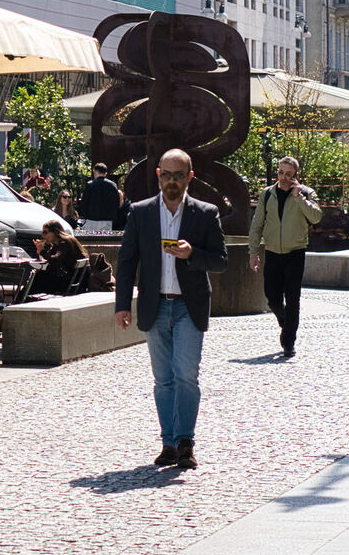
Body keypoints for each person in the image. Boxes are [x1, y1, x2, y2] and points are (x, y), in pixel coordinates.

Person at [113, 149, 228, 470]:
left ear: (190, 177)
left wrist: (193, 254)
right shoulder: (141, 212)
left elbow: (220, 261)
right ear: (158, 175)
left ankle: (185, 441)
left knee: (186, 375)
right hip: (155, 305)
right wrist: (122, 304)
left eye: (179, 175)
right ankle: (168, 443)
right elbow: (126, 263)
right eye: (167, 174)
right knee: (163, 379)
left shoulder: (205, 214)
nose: (172, 181)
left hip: (188, 307)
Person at [245, 155, 324, 358]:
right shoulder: (267, 194)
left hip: (295, 253)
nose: (284, 177)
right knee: (272, 297)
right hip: (272, 252)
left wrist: (299, 198)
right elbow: (257, 225)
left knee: (293, 298)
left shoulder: (306, 193)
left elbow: (316, 216)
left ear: (296, 175)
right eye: (281, 172)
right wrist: (253, 252)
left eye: (289, 174)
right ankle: (286, 321)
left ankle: (288, 341)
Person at [31, 221, 87, 295]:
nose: (43, 236)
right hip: (71, 278)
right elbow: (49, 258)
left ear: (54, 232)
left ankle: (23, 299)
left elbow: (55, 260)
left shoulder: (64, 242)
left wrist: (42, 251)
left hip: (72, 281)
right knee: (40, 275)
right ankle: (25, 298)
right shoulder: (57, 245)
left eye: (45, 233)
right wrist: (40, 250)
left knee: (39, 277)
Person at [79, 163, 124, 235]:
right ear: (105, 173)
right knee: (104, 241)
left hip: (92, 220)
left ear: (95, 172)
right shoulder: (113, 185)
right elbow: (116, 203)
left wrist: (86, 215)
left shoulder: (90, 185)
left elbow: (84, 203)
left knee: (90, 241)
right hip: (107, 220)